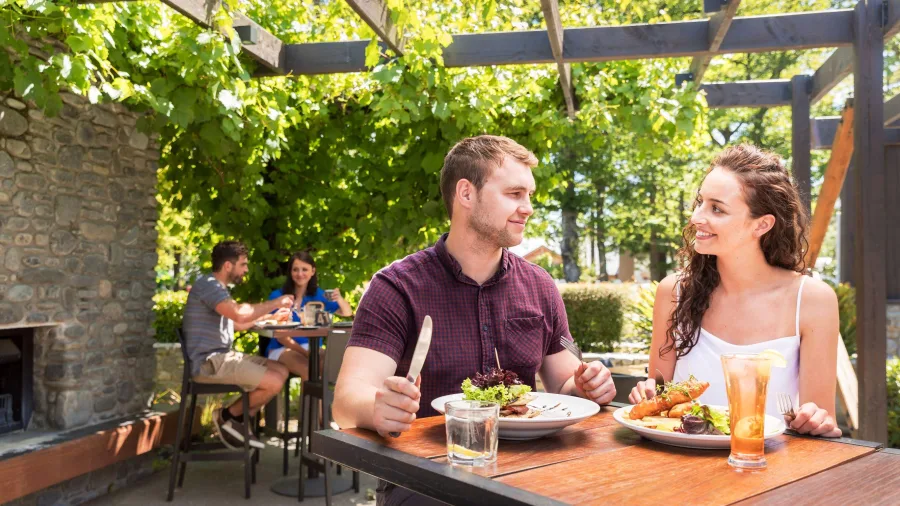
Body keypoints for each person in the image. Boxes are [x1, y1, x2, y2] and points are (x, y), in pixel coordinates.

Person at [332, 135, 616, 505]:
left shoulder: (540, 285)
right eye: (514, 194)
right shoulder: (397, 287)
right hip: (427, 479)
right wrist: (377, 407)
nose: (528, 208)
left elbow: (565, 385)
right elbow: (347, 400)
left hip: (531, 472)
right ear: (466, 193)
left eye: (529, 195)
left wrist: (588, 386)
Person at [627, 144, 842, 438]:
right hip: (681, 460)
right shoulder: (674, 292)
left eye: (716, 208)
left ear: (762, 224)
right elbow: (658, 407)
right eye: (700, 202)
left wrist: (816, 421)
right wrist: (647, 394)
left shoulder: (812, 300)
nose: (696, 217)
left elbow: (820, 420)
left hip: (769, 461)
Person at [182, 240, 293, 449]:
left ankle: (237, 421)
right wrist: (276, 303)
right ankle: (226, 416)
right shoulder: (210, 286)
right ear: (228, 265)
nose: (246, 270)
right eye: (243, 264)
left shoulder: (217, 288)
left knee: (281, 370)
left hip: (223, 356)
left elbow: (237, 324)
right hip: (209, 362)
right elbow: (240, 315)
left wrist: (270, 317)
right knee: (274, 382)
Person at [265, 251, 353, 379]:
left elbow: (347, 312)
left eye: (304, 269)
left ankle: (327, 393)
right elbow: (281, 338)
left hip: (313, 347)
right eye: (295, 270)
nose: (300, 274)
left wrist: (339, 298)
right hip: (281, 348)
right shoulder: (278, 296)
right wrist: (306, 354)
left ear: (313, 271)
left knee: (334, 365)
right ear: (290, 272)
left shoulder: (319, 295)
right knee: (308, 369)